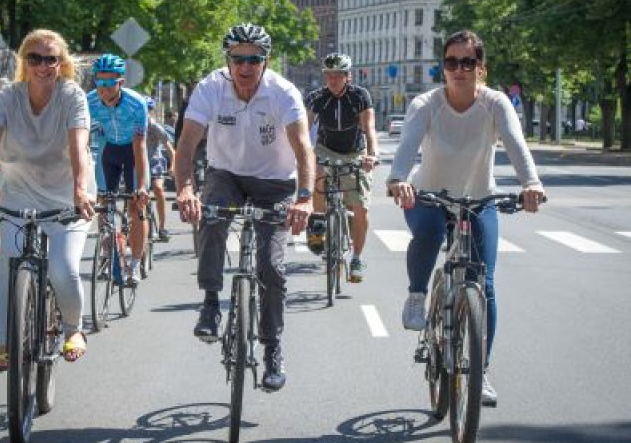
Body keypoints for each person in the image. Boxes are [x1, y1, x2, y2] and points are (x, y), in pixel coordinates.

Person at [387, 30, 546, 406]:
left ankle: (481, 371)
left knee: (484, 285)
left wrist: (531, 184)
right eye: (451, 62)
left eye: (467, 62)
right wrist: (397, 181)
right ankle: (417, 294)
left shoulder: (495, 104)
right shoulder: (427, 104)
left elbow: (516, 144)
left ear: (481, 69)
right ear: (443, 68)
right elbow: (407, 147)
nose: (458, 69)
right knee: (426, 237)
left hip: (478, 199)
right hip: (427, 196)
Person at [175, 23, 315, 392]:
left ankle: (272, 348)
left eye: (255, 59)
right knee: (210, 215)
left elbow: (303, 148)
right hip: (227, 175)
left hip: (276, 183)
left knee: (271, 267)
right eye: (239, 59)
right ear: (228, 60)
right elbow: (187, 144)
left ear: (266, 62)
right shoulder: (211, 87)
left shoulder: (283, 92)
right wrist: (186, 189)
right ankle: (209, 302)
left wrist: (304, 197)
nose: (246, 66)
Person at [0, 29, 95, 371]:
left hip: (67, 195)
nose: (43, 66)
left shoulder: (72, 97)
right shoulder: (7, 98)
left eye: (51, 59)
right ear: (24, 62)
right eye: (35, 58)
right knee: (9, 262)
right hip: (18, 193)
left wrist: (80, 191)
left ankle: (73, 329)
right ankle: (4, 342)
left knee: (63, 269)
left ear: (61, 64)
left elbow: (78, 147)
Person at [304, 52, 380, 283]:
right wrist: (304, 155)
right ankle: (318, 221)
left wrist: (372, 155)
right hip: (326, 149)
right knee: (317, 175)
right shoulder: (317, 97)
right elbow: (305, 129)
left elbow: (369, 128)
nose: (332, 80)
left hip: (354, 152)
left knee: (360, 207)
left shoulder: (359, 96)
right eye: (328, 75)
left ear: (348, 76)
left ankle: (356, 258)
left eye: (337, 75)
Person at [87, 53, 150, 287]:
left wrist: (142, 186)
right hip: (109, 150)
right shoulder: (90, 101)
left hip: (132, 152)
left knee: (136, 206)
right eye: (99, 82)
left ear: (120, 81)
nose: (103, 88)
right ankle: (108, 251)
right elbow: (80, 138)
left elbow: (140, 145)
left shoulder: (136, 104)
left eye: (109, 82)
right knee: (104, 204)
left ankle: (134, 265)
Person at [145, 96, 176, 241]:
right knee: (132, 194)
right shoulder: (132, 125)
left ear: (151, 112)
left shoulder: (155, 126)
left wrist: (172, 166)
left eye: (148, 110)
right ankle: (129, 225)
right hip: (139, 163)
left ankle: (163, 227)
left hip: (155, 162)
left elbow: (170, 149)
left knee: (158, 189)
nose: (145, 113)